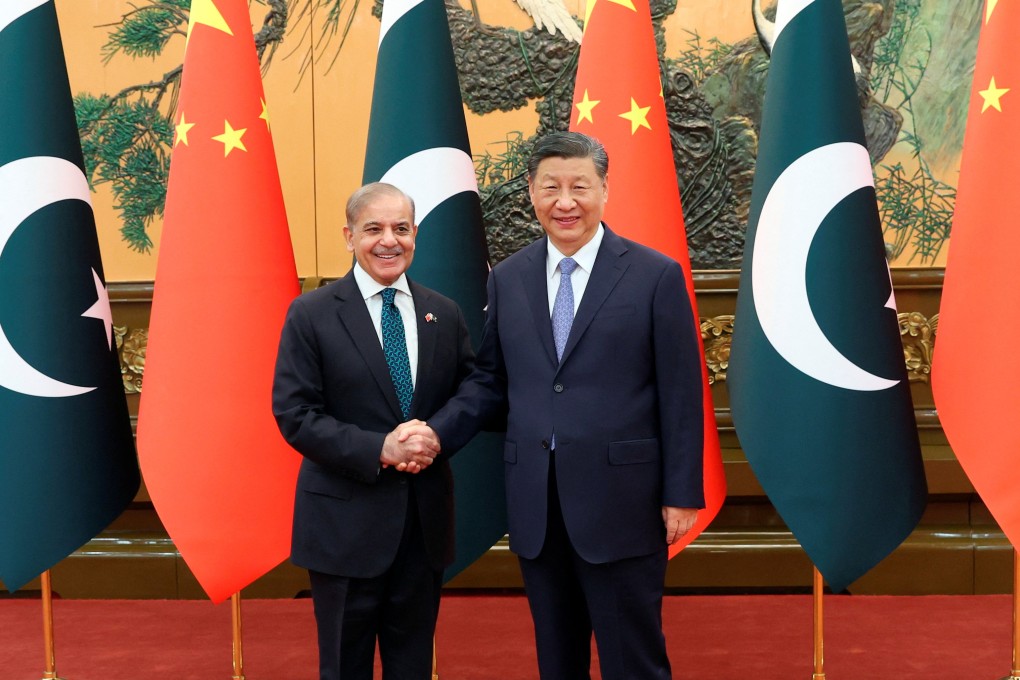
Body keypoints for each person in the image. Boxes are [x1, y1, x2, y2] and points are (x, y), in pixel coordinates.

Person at [404, 131, 705, 679]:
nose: (565, 202)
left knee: (633, 660)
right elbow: (491, 381)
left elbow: (682, 394)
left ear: (605, 190)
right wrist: (437, 433)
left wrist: (681, 493)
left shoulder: (654, 275)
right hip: (538, 505)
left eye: (579, 187)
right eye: (551, 188)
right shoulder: (509, 277)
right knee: (557, 661)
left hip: (624, 504)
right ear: (531, 192)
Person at [272, 182, 474, 680]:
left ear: (415, 235)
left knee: (413, 669)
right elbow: (295, 413)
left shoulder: (443, 313)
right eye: (373, 229)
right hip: (344, 530)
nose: (389, 240)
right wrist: (380, 448)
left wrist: (434, 436)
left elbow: (472, 395)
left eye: (401, 228)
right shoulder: (312, 313)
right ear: (349, 236)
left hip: (423, 529)